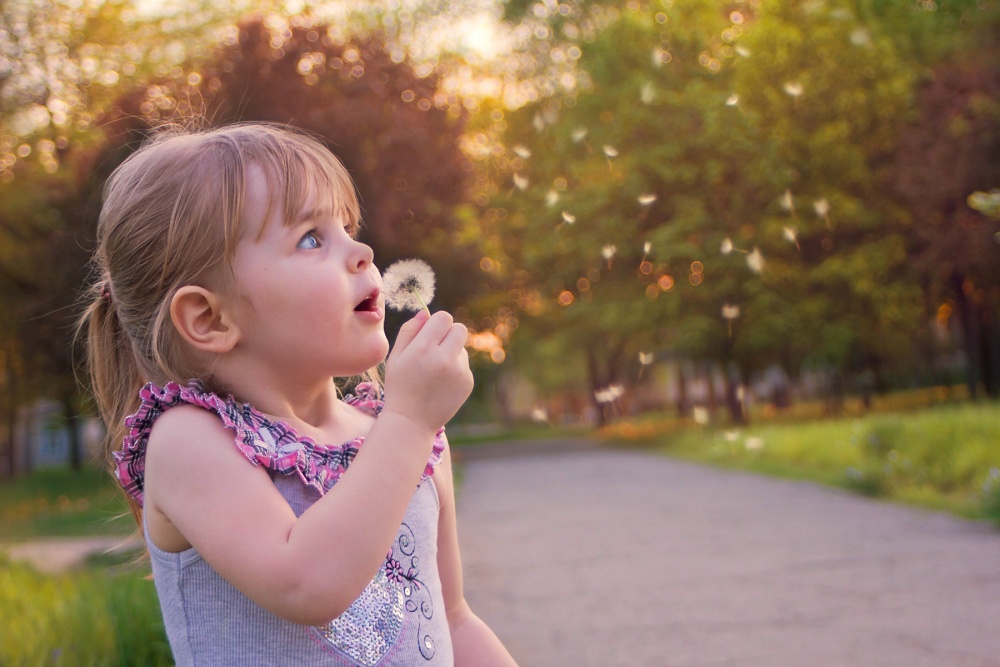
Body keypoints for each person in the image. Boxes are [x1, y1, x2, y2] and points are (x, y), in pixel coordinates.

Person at [79, 122, 518, 666]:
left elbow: (452, 618)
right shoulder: (189, 442)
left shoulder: (407, 436)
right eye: (312, 238)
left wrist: (408, 424)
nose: (362, 251)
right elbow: (307, 585)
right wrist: (408, 421)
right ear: (210, 318)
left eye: (348, 226)